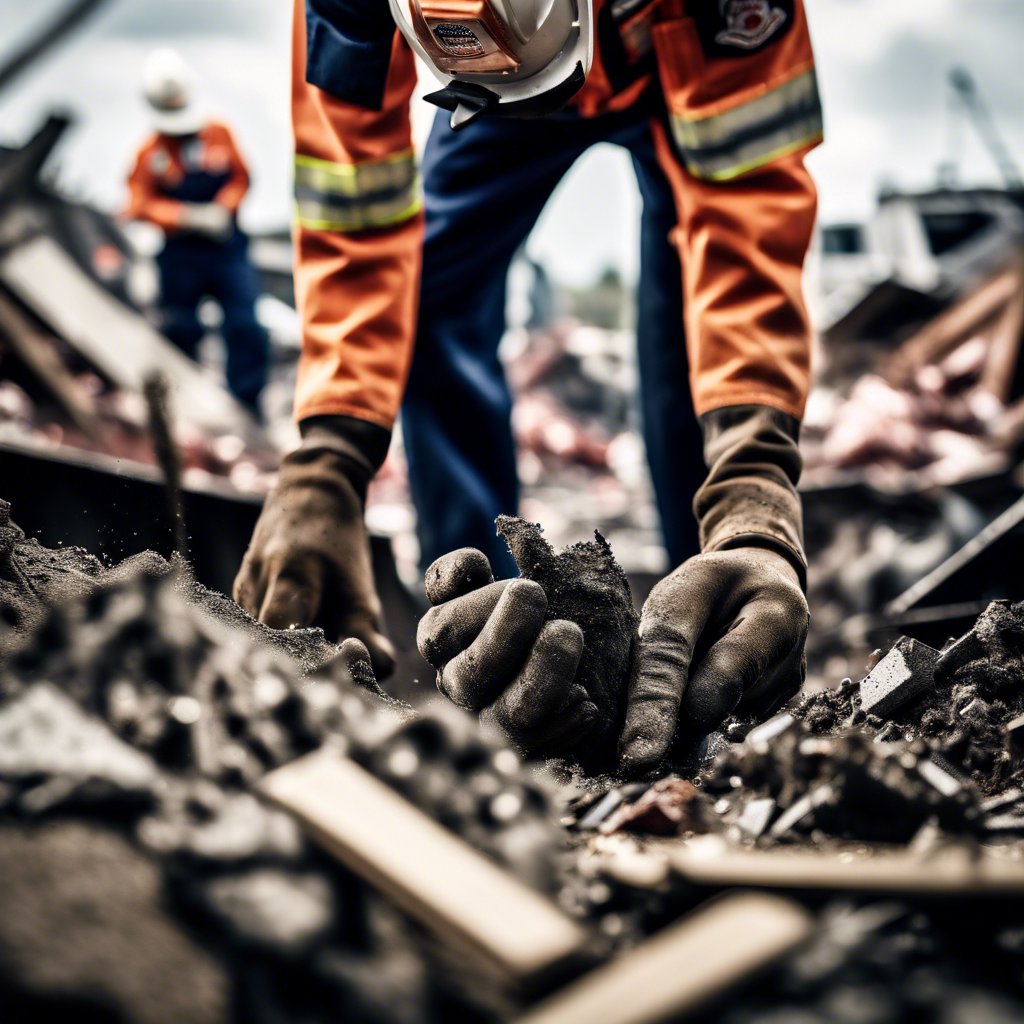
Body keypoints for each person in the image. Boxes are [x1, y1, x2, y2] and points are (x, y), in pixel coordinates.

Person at [235, 0, 821, 773]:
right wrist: (329, 456)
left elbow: (744, 222)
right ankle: (487, 639)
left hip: (669, 66)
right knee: (432, 294)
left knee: (689, 318)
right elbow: (355, 207)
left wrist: (756, 503)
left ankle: (711, 633)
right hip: (486, 99)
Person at [126, 48, 269, 417]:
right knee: (182, 327)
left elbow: (242, 176)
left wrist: (224, 208)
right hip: (180, 257)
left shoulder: (218, 134)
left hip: (226, 251)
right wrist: (184, 216)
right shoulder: (150, 153)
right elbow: (138, 202)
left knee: (245, 324)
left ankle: (248, 403)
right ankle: (184, 406)